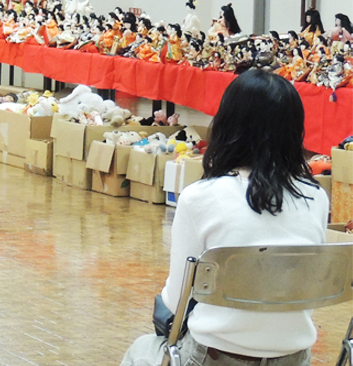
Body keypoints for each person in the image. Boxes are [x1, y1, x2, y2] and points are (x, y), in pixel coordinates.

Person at [120, 68, 328, 366]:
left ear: (228, 125)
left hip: (216, 357)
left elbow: (175, 301)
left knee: (141, 349)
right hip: (293, 357)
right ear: (294, 131)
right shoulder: (316, 197)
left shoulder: (200, 197)